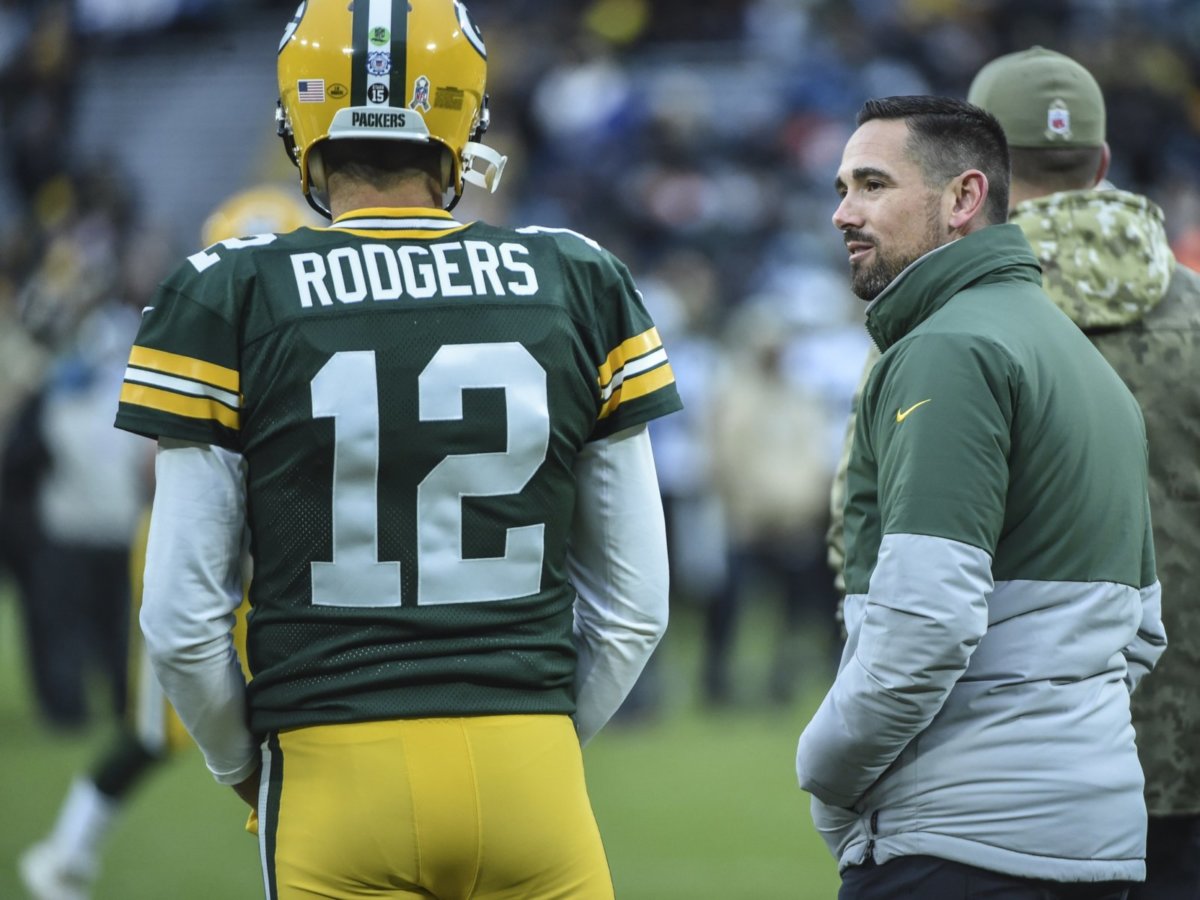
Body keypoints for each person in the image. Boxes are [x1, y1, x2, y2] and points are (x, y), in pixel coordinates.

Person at [114, 1, 680, 897]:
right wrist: (538, 734)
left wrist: (244, 766)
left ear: (298, 117)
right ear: (464, 117)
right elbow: (634, 606)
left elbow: (182, 624)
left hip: (333, 768)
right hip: (529, 770)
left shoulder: (231, 289)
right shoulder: (576, 275)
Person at [796, 94, 1166, 899]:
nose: (842, 213)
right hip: (1091, 840)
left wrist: (822, 769)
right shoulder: (1076, 356)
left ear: (963, 198)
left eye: (870, 185)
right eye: (839, 189)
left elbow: (926, 625)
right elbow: (1143, 630)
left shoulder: (951, 350)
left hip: (963, 848)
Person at [19, 184, 315, 900]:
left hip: (275, 557)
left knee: (301, 721)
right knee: (161, 728)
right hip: (205, 550)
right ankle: (65, 855)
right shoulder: (205, 333)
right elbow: (157, 463)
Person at [968, 47, 1200, 900]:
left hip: (1005, 767)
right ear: (1102, 163)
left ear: (975, 173)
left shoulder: (945, 324)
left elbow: (875, 543)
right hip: (1188, 762)